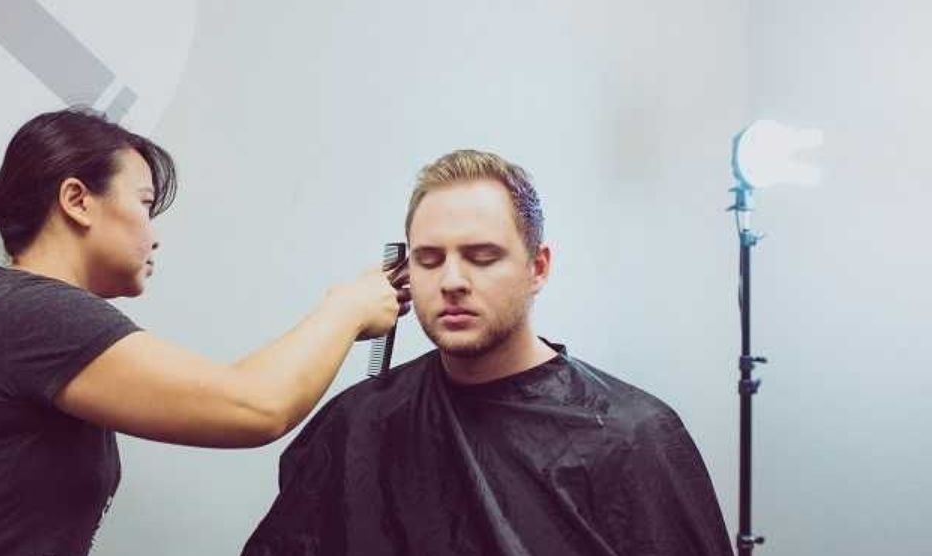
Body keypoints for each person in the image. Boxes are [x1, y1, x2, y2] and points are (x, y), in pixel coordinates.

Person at [0, 108, 409, 556]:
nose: (154, 236)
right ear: (77, 200)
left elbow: (234, 389)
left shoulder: (5, 309)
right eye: (145, 204)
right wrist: (345, 309)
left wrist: (346, 313)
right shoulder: (34, 313)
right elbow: (255, 407)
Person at [243, 150, 733, 556]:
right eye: (429, 260)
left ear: (538, 267)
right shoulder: (357, 424)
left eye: (482, 257)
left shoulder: (632, 436)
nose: (452, 281)